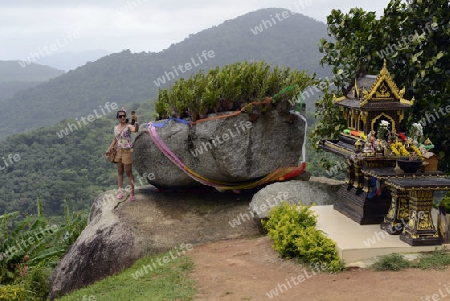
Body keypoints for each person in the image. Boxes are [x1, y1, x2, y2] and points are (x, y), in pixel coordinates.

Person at [105, 108, 139, 201]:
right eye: (120, 116)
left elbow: (135, 130)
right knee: (120, 171)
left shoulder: (128, 126)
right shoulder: (116, 128)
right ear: (118, 118)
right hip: (118, 150)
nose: (123, 117)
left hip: (127, 150)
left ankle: (132, 193)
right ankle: (120, 191)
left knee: (128, 172)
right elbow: (115, 140)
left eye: (124, 116)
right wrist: (109, 149)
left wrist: (136, 121)